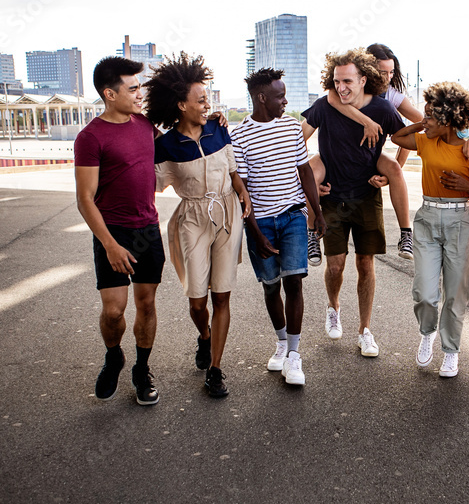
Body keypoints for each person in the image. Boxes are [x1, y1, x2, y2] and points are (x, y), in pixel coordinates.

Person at [147, 53, 251, 399]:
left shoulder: (218, 129)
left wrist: (242, 193)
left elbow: (233, 168)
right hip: (191, 218)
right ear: (180, 104)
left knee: (222, 293)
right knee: (197, 300)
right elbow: (152, 183)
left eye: (209, 99)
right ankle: (204, 336)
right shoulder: (165, 145)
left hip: (227, 213)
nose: (208, 105)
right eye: (201, 99)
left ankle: (216, 369)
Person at [300, 48, 405, 356]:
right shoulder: (324, 105)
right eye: (336, 81)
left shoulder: (383, 109)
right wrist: (310, 183)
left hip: (367, 196)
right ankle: (333, 308)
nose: (341, 87)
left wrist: (452, 129)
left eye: (347, 81)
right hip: (331, 196)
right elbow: (296, 140)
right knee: (335, 266)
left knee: (365, 263)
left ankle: (365, 331)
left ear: (363, 80)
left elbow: (406, 139)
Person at [75, 56, 163, 406]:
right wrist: (109, 245)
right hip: (113, 233)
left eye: (140, 86)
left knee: (146, 303)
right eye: (133, 88)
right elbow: (84, 199)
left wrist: (213, 120)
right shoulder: (90, 137)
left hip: (147, 229)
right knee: (114, 311)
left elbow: (187, 134)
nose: (140, 93)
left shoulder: (145, 124)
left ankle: (142, 370)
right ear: (110, 94)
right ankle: (114, 356)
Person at [389, 82, 469, 378]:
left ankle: (450, 351)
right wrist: (423, 123)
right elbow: (397, 136)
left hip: (460, 221)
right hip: (427, 218)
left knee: (455, 294)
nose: (425, 122)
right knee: (424, 292)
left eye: (432, 117)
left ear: (448, 119)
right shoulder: (426, 140)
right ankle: (427, 333)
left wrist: (467, 187)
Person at [231, 68, 325, 386]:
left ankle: (295, 356)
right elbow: (241, 189)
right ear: (261, 98)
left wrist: (317, 211)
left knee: (294, 281)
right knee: (271, 285)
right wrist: (254, 231)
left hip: (293, 215)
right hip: (261, 223)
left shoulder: (290, 127)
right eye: (280, 96)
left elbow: (305, 171)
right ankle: (282, 343)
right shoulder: (240, 134)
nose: (285, 101)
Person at [306, 43, 423, 264]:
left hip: (371, 153)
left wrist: (392, 173)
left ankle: (406, 233)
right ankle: (311, 232)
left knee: (395, 169)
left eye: (391, 73)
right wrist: (367, 121)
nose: (387, 78)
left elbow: (405, 134)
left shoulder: (391, 98)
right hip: (336, 154)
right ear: (368, 69)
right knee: (311, 171)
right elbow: (332, 99)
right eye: (382, 72)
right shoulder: (338, 91)